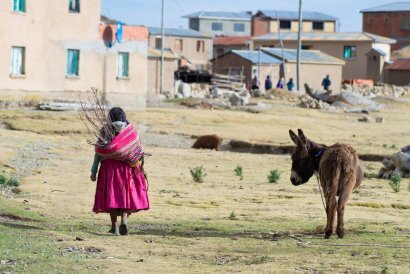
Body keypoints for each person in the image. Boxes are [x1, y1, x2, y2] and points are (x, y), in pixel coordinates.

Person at [90, 107, 149, 236]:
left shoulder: (105, 130)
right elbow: (138, 149)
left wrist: (94, 171)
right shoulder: (130, 130)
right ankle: (124, 220)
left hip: (109, 167)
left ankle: (114, 227)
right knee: (124, 195)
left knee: (111, 196)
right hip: (127, 167)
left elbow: (99, 152)